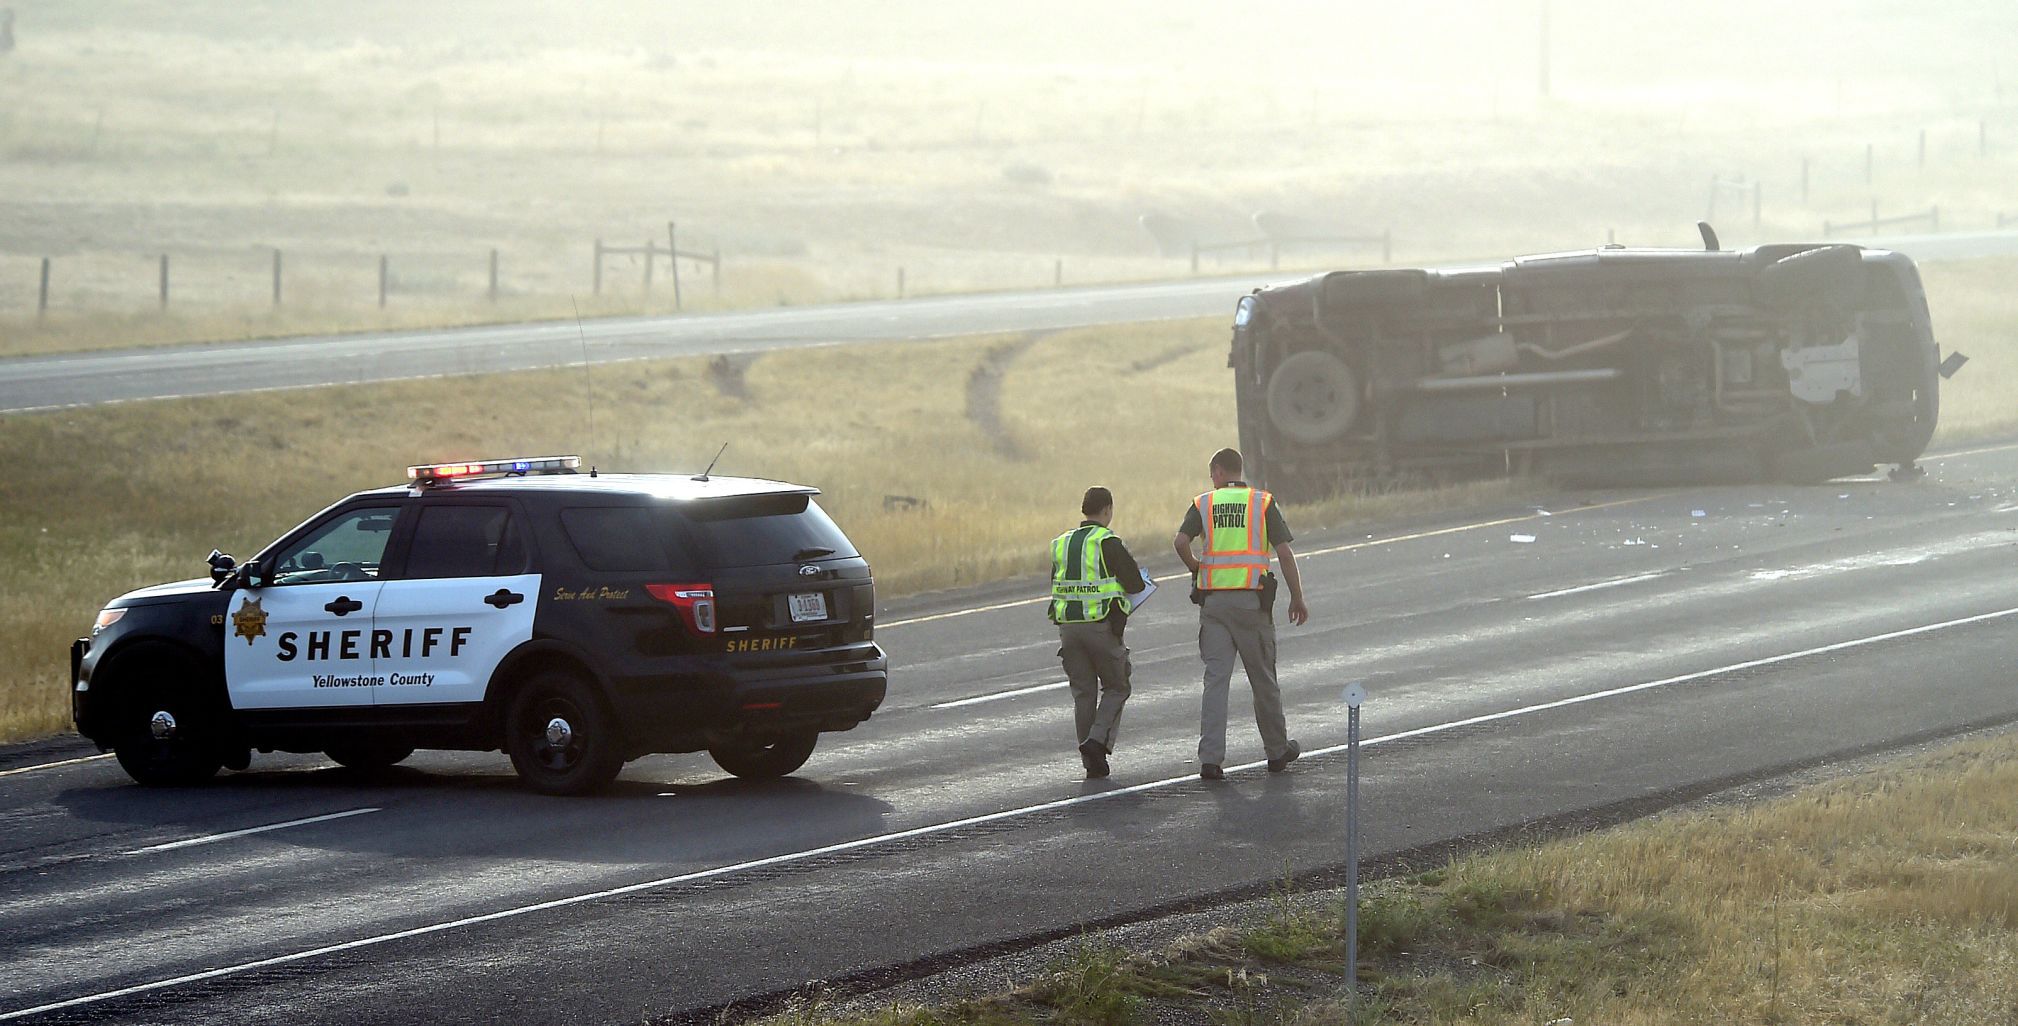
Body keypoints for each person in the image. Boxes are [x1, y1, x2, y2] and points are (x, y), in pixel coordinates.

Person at [1173, 448, 1308, 780]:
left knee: (1215, 682)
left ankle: (1210, 760)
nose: (1211, 480)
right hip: (1251, 603)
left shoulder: (1204, 503)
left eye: (1212, 474)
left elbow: (1179, 541)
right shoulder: (1262, 503)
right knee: (1263, 679)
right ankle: (1276, 752)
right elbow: (1284, 552)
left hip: (1214, 605)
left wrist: (1197, 568)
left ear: (1219, 472)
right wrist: (1297, 596)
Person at [1048, 486, 1147, 779]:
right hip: (1100, 627)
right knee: (1118, 686)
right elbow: (1134, 584)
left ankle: (1093, 764)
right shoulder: (1108, 541)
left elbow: (1057, 583)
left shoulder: (1061, 543)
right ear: (1107, 510)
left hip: (1068, 630)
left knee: (1083, 694)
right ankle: (1096, 739)